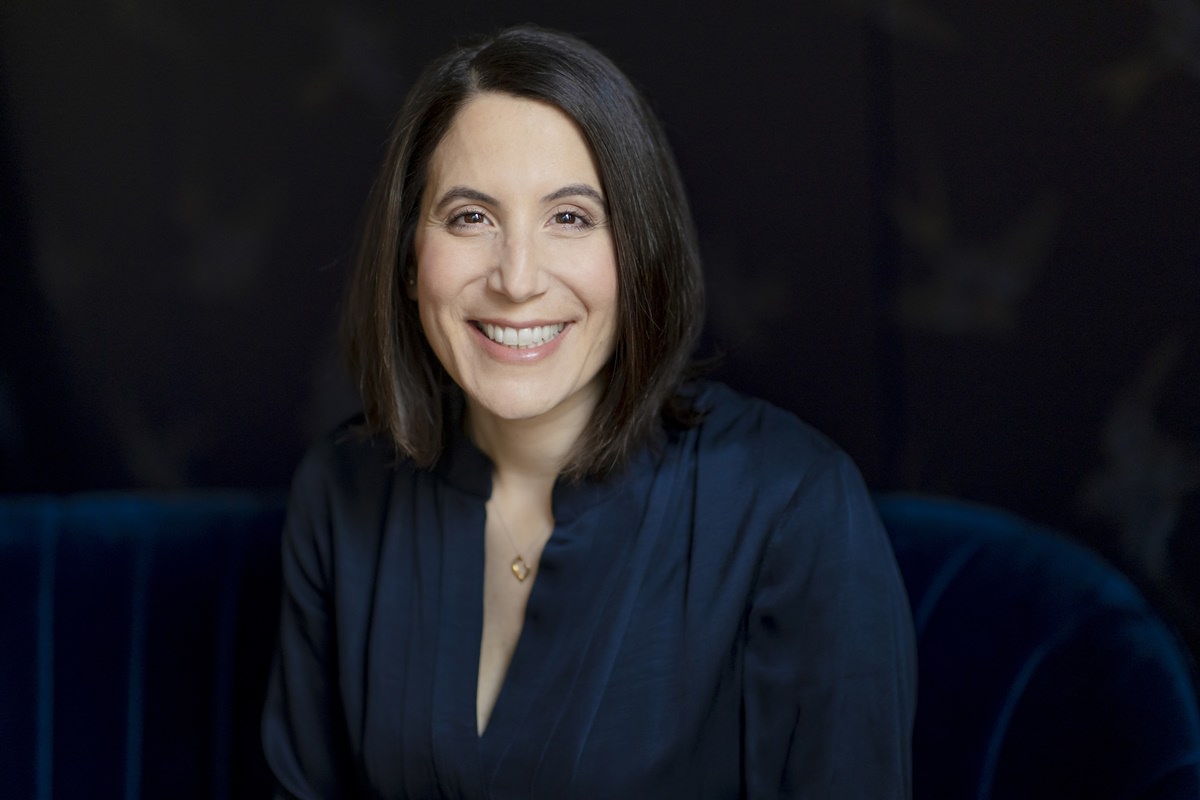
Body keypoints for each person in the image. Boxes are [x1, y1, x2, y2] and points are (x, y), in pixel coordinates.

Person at [262, 24, 916, 799]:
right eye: (471, 217)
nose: (517, 279)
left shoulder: (794, 506)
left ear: (640, 256)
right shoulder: (341, 491)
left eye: (570, 217)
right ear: (409, 262)